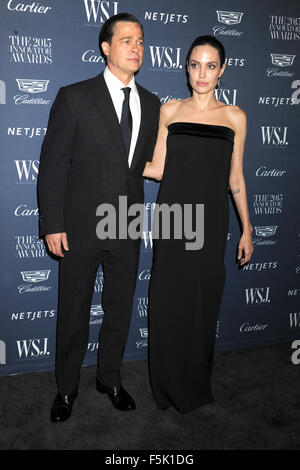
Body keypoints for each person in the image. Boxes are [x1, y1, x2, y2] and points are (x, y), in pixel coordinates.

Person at [38, 13, 160, 423]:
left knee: (120, 308)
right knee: (73, 311)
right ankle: (66, 388)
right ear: (106, 48)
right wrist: (52, 223)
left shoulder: (152, 102)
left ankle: (109, 378)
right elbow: (53, 166)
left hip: (127, 224)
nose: (136, 47)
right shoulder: (74, 96)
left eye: (141, 41)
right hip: (78, 227)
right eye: (127, 40)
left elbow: (143, 165)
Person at [143, 35, 254, 414]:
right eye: (195, 65)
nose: (201, 73)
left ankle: (192, 384)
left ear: (222, 70)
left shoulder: (235, 116)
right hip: (174, 220)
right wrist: (110, 162)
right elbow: (156, 169)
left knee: (201, 304)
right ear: (186, 68)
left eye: (210, 65)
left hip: (211, 224)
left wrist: (248, 229)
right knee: (168, 303)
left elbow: (235, 178)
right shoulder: (169, 111)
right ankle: (165, 387)